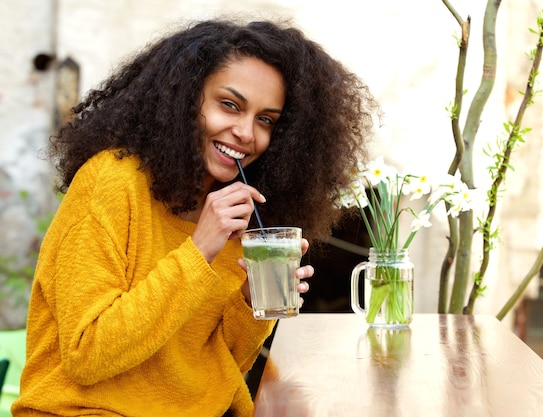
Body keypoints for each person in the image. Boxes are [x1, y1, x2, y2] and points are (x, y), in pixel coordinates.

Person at [12, 17, 376, 417]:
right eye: (229, 105)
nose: (245, 132)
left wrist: (251, 304)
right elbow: (89, 354)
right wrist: (199, 247)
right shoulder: (111, 182)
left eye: (265, 120)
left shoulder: (239, 211)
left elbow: (218, 368)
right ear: (183, 98)